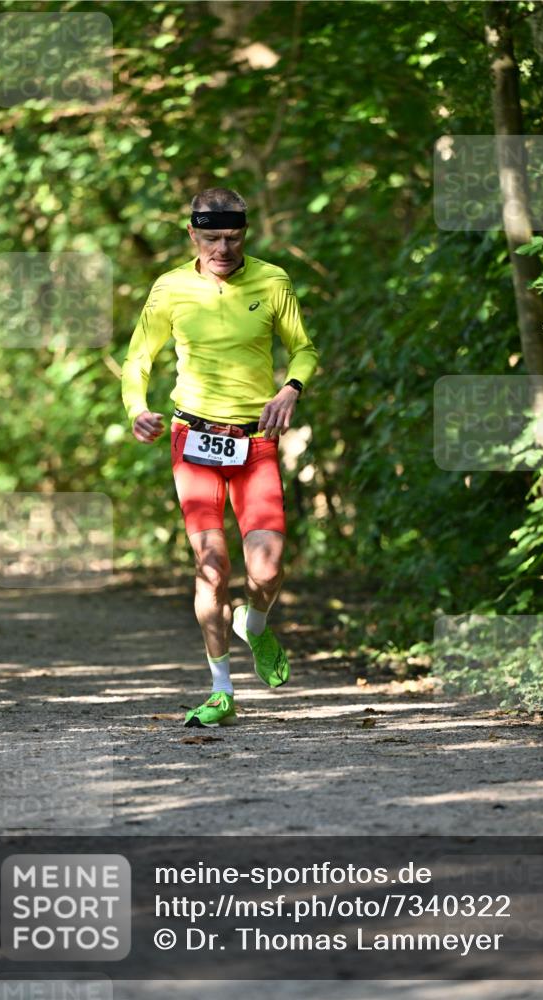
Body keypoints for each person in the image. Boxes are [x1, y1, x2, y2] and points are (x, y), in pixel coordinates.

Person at [121, 188, 318, 727]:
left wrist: (291, 388)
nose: (223, 249)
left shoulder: (273, 281)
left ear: (245, 234)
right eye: (211, 238)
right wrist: (137, 408)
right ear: (192, 235)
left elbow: (304, 346)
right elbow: (139, 357)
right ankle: (222, 687)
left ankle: (253, 626)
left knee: (268, 565)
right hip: (194, 441)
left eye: (233, 238)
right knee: (212, 566)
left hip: (256, 441)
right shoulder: (171, 290)